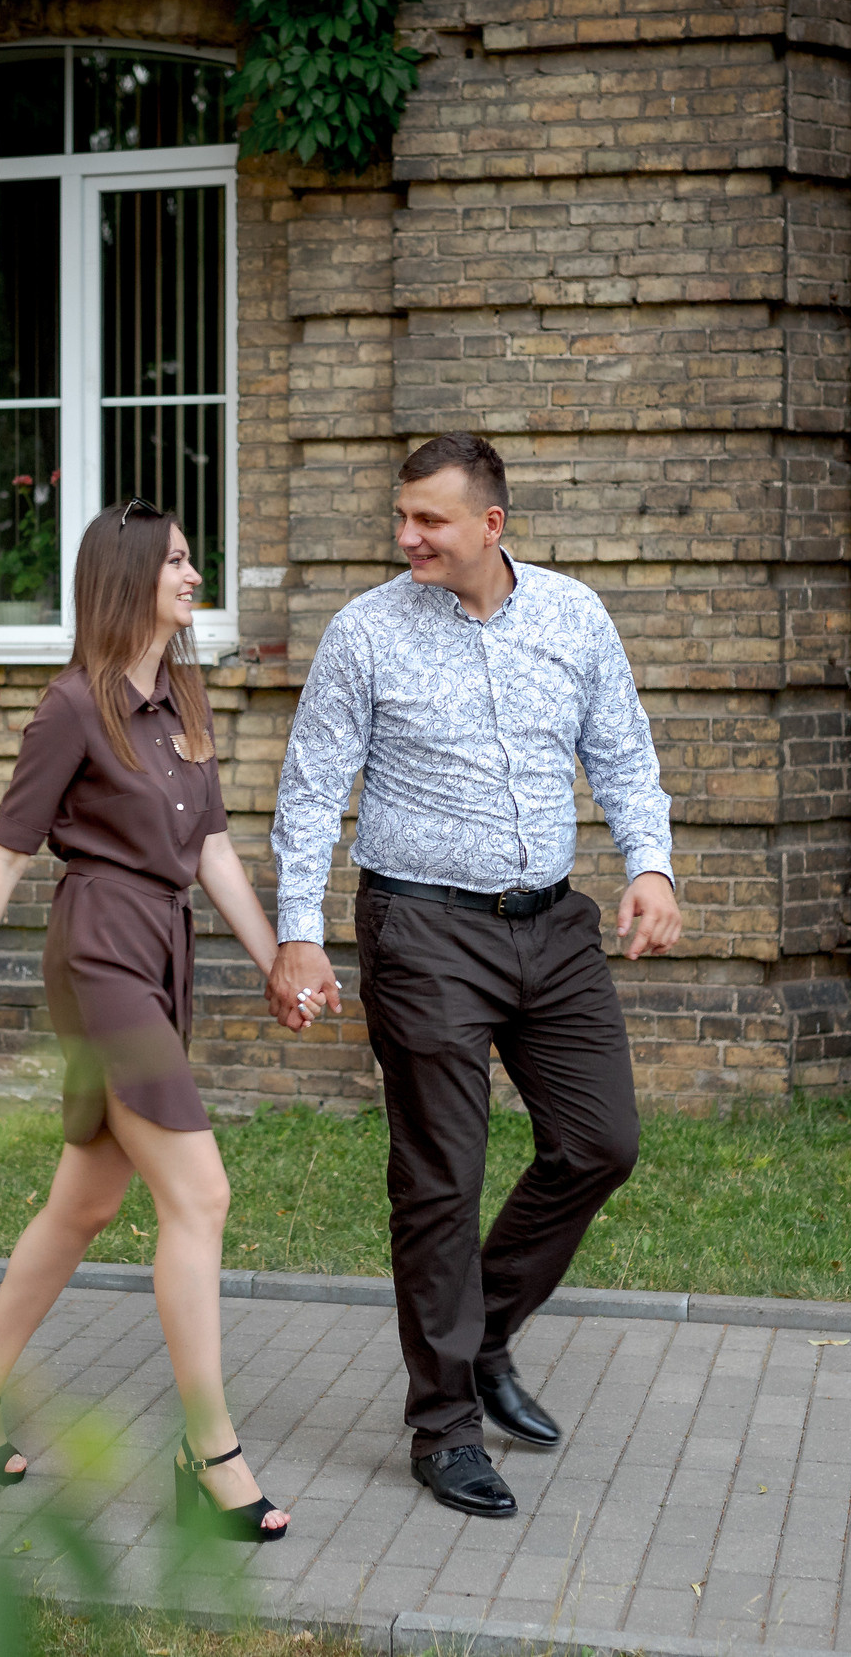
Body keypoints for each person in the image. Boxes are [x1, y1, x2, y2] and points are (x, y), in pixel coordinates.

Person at [266, 432, 682, 1521]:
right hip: (421, 931)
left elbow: (623, 750)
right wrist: (298, 931)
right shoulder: (364, 633)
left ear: (490, 525)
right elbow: (311, 789)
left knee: (602, 1140)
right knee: (439, 1181)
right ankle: (443, 1425)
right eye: (401, 517)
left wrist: (649, 864)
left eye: (429, 521)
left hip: (550, 928)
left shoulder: (573, 616)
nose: (407, 537)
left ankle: (483, 1330)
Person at [0, 497, 290, 1541]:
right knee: (199, 1192)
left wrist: (277, 964)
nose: (192, 572)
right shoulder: (70, 706)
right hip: (99, 953)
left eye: (190, 556)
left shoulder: (180, 695)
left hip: (159, 949)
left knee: (83, 1203)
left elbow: (211, 847)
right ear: (127, 578)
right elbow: (6, 853)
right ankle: (207, 1450)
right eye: (174, 560)